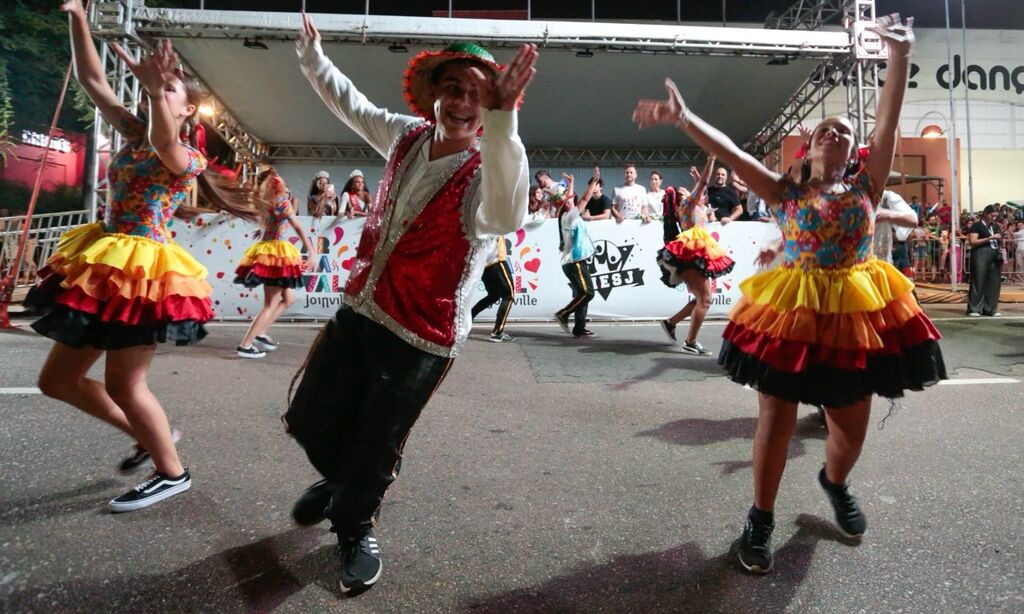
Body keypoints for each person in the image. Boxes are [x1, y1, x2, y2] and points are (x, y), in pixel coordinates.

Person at [634, 13, 945, 574]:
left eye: (844, 132)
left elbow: (889, 123)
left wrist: (898, 56)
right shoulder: (783, 190)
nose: (834, 133)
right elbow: (733, 155)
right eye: (825, 129)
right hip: (791, 313)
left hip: (855, 315)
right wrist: (686, 120)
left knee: (849, 432)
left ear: (855, 151)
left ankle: (834, 480)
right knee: (774, 420)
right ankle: (760, 518)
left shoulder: (868, 185)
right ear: (809, 146)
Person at [285, 13, 536, 593]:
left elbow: (505, 216)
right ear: (434, 97)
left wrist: (505, 121)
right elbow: (349, 104)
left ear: (493, 106)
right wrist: (312, 58)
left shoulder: (489, 166)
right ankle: (344, 483)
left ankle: (354, 525)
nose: (463, 102)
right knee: (309, 418)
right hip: (362, 310)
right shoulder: (405, 135)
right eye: (453, 88)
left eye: (479, 94)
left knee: (377, 442)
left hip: (420, 335)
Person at [28, 2, 261, 512]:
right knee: (57, 382)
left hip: (144, 273)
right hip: (103, 261)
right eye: (161, 87)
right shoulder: (134, 132)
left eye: (174, 89)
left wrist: (157, 89)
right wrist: (75, 16)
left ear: (186, 110)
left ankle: (171, 472)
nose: (162, 89)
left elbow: (163, 139)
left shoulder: (186, 155)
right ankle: (152, 436)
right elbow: (93, 79)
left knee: (125, 384)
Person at [234, 167, 316, 358]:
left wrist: (264, 232)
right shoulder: (281, 201)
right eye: (279, 182)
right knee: (271, 303)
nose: (283, 185)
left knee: (288, 299)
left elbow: (273, 224)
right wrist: (312, 253)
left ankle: (260, 334)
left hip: (270, 249)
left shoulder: (267, 201)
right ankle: (245, 345)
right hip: (275, 254)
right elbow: (297, 226)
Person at [656, 156, 735, 355]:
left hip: (694, 254)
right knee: (705, 298)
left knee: (701, 297)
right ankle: (690, 341)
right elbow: (703, 185)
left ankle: (671, 323)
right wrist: (711, 160)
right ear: (681, 198)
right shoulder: (687, 205)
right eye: (684, 191)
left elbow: (703, 190)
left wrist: (698, 178)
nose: (688, 190)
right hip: (690, 254)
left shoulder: (695, 205)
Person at [554, 171, 597, 337]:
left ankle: (579, 327)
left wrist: (571, 183)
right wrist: (593, 182)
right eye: (570, 198)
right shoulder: (570, 216)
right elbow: (585, 199)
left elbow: (570, 198)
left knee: (581, 294)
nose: (573, 198)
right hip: (574, 261)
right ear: (566, 204)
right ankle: (563, 314)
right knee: (588, 293)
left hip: (576, 260)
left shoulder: (567, 214)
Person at [470, 235, 516, 342]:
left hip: (484, 264)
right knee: (509, 295)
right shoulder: (493, 222)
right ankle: (498, 332)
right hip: (496, 261)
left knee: (493, 295)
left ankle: (466, 320)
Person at [967, 204, 1004, 316]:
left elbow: (1000, 240)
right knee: (979, 280)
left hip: (994, 253)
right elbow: (972, 241)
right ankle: (974, 308)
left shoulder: (996, 226)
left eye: (996, 216)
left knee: (994, 281)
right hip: (981, 252)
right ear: (986, 214)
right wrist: (990, 238)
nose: (994, 218)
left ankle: (990, 309)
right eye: (992, 215)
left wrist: (1001, 246)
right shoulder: (977, 226)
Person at [873, 190, 918, 265]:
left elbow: (913, 220)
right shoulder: (849, 194)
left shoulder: (886, 197)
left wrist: (885, 214)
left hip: (881, 265)